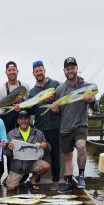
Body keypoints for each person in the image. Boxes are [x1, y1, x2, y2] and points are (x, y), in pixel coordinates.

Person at [51, 57, 99, 193]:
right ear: (64, 71)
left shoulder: (87, 86)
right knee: (67, 157)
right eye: (68, 68)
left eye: (72, 68)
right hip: (65, 127)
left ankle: (82, 176)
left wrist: (91, 101)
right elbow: (58, 110)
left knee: (81, 146)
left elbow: (96, 108)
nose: (70, 70)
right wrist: (55, 110)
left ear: (77, 68)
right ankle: (68, 182)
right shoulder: (60, 89)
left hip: (80, 125)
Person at [27, 60, 60, 190]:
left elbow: (63, 101)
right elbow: (30, 111)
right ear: (33, 74)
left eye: (40, 70)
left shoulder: (55, 84)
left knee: (55, 154)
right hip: (39, 127)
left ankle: (56, 180)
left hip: (54, 125)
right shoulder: (32, 91)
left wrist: (55, 101)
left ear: (44, 70)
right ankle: (36, 179)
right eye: (36, 71)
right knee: (39, 153)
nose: (39, 73)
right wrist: (20, 106)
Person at [4, 110, 50, 191]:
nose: (23, 120)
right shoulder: (10, 134)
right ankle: (10, 179)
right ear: (18, 121)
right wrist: (8, 148)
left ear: (29, 120)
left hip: (32, 163)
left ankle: (33, 179)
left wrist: (45, 146)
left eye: (25, 118)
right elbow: (5, 152)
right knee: (11, 188)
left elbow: (47, 150)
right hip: (17, 167)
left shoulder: (39, 133)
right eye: (21, 118)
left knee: (46, 166)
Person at [0, 61, 30, 133]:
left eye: (13, 70)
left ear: (17, 71)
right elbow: (1, 111)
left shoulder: (26, 87)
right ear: (6, 72)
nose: (12, 72)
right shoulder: (1, 90)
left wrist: (22, 103)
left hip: (24, 123)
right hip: (9, 126)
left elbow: (30, 106)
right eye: (9, 70)